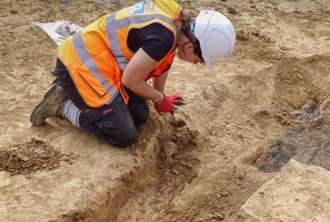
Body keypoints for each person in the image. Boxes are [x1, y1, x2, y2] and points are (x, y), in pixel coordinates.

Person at [30, 0, 235, 147]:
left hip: (104, 63)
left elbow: (163, 61)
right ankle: (63, 106)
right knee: (123, 134)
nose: (197, 63)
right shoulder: (164, 38)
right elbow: (130, 79)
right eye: (200, 59)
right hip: (82, 64)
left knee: (139, 114)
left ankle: (71, 93)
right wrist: (159, 98)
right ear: (191, 45)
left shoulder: (175, 21)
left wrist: (159, 98)